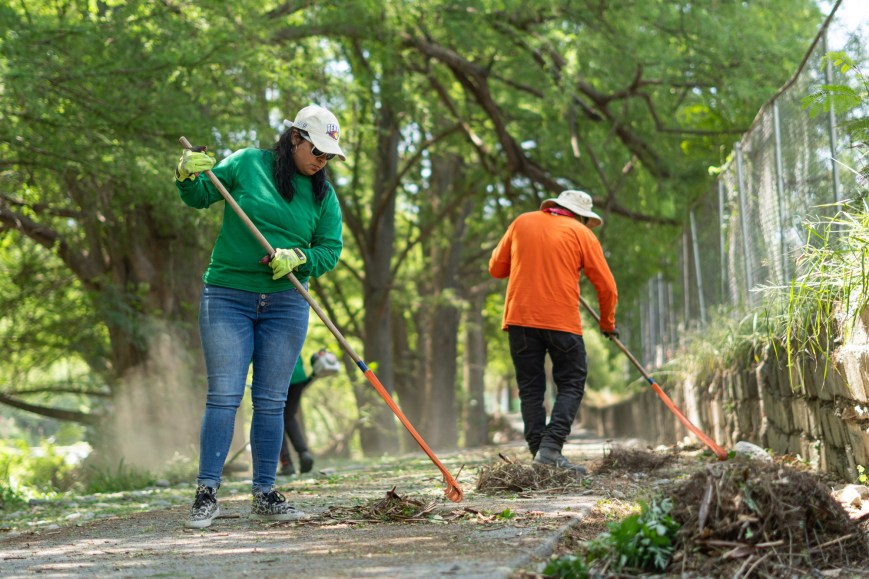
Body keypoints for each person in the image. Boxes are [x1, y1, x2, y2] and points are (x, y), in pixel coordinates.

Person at [175, 105, 346, 528]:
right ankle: (206, 494)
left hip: (286, 303)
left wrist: (299, 257)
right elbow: (199, 196)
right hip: (227, 296)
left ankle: (265, 493)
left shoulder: (323, 196)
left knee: (272, 400)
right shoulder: (247, 163)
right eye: (317, 151)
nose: (321, 161)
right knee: (225, 395)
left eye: (328, 155)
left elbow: (330, 250)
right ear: (294, 138)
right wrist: (186, 175)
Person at [488, 189, 618, 474]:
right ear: (581, 216)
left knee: (530, 388)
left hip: (520, 319)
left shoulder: (521, 222)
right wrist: (607, 324)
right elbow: (607, 287)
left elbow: (496, 269)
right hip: (561, 322)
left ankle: (540, 453)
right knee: (572, 382)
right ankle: (549, 449)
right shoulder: (583, 234)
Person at [279, 349, 341, 476]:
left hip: (275, 375)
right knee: (289, 416)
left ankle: (287, 463)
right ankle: (304, 453)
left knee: (275, 417)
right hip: (298, 375)